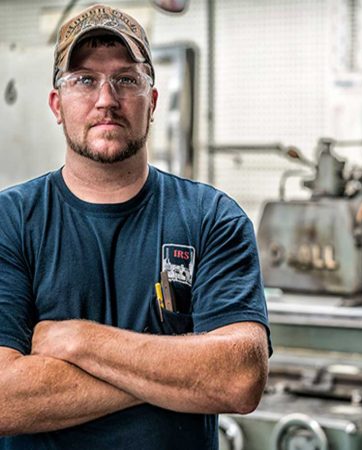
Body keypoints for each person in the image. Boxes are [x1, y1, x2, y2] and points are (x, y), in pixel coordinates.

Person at [0, 4, 270, 449]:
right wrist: (180, 376)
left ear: (153, 102)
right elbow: (4, 400)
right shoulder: (11, 222)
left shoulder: (213, 218)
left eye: (126, 79)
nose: (106, 99)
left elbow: (239, 378)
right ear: (56, 104)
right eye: (84, 80)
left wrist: (77, 339)